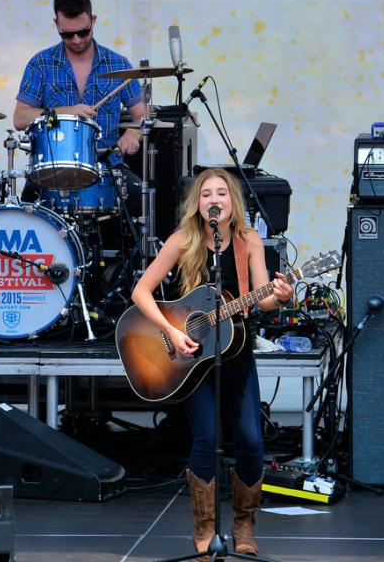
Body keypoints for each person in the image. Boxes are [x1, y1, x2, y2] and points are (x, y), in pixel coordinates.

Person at [131, 168, 293, 555]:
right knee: (206, 438)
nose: (214, 200)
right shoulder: (182, 240)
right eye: (207, 194)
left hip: (235, 353)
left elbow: (261, 297)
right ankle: (203, 528)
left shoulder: (247, 240)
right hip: (191, 359)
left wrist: (281, 296)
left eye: (222, 193)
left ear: (232, 202)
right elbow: (141, 291)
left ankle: (244, 524)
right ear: (197, 204)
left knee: (252, 441)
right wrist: (172, 333)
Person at [13, 0, 147, 213]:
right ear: (56, 24)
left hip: (107, 164)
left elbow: (142, 115)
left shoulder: (119, 64)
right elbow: (20, 118)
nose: (76, 40)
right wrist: (65, 111)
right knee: (26, 214)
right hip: (52, 168)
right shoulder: (41, 64)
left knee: (144, 202)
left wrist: (133, 133)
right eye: (67, 34)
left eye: (83, 32)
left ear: (93, 20)